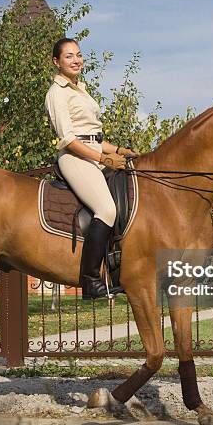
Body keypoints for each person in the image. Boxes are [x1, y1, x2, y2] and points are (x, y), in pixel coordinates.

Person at [45, 38, 138, 299]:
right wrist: (104, 159)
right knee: (106, 210)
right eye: (68, 56)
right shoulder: (57, 93)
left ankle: (118, 266)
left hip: (93, 153)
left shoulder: (80, 89)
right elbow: (70, 140)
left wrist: (119, 151)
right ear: (56, 62)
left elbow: (94, 137)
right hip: (74, 158)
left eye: (78, 55)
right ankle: (90, 280)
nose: (76, 60)